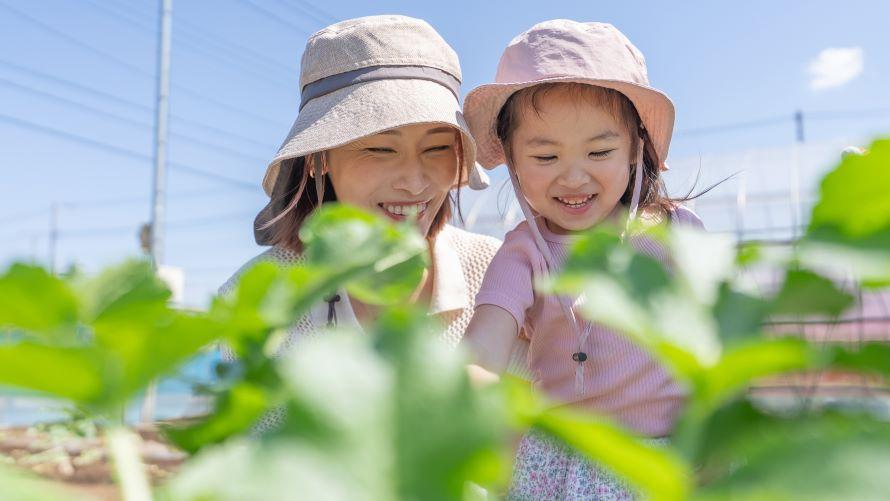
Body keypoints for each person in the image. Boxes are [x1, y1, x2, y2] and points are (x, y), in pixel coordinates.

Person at [220, 15, 529, 429]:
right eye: (381, 149)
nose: (414, 181)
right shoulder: (253, 301)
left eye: (437, 148)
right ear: (319, 158)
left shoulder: (505, 278)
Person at [461, 20, 705, 499]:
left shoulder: (677, 233)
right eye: (545, 157)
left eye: (599, 150)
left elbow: (718, 337)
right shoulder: (525, 252)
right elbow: (482, 352)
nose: (574, 177)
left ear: (636, 147)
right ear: (511, 158)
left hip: (672, 455)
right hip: (561, 462)